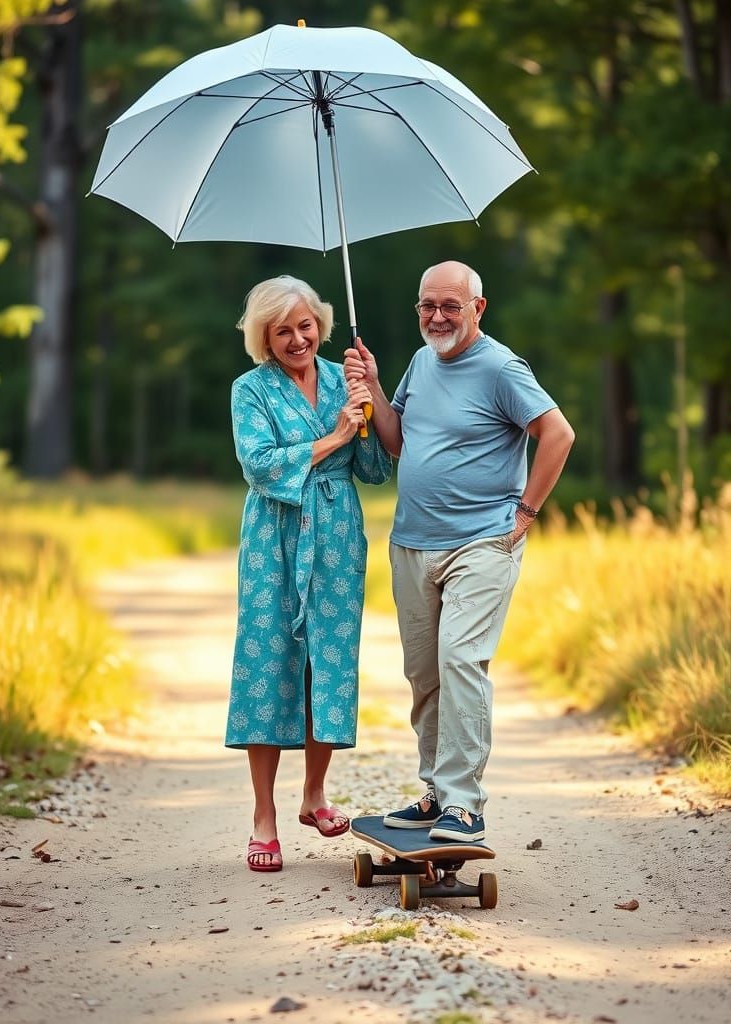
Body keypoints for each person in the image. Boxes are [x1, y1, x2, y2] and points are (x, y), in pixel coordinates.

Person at [343, 260, 574, 843]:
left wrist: (525, 513)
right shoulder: (422, 361)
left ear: (478, 307)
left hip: (482, 542)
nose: (438, 316)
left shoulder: (501, 368)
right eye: (427, 306)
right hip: (412, 542)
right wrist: (371, 386)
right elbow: (398, 442)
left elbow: (559, 434)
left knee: (461, 661)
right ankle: (437, 793)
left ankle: (464, 805)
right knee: (424, 673)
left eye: (450, 305)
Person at [226, 275, 391, 872]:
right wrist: (335, 435)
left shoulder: (343, 381)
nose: (297, 338)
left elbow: (373, 468)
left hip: (338, 535)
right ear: (263, 337)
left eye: (305, 325)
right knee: (270, 662)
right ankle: (264, 817)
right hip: (275, 535)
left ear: (320, 325)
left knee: (329, 661)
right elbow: (259, 466)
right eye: (282, 330)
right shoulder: (251, 389)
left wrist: (367, 402)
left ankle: (314, 794)